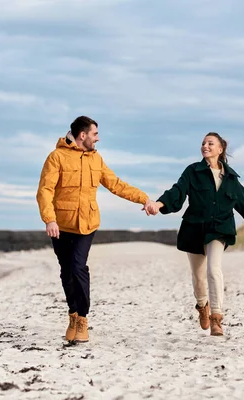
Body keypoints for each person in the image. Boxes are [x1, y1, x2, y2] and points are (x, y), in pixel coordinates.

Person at [37, 116, 155, 343]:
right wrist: (49, 219)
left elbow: (116, 184)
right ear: (83, 135)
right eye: (95, 134)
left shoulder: (96, 159)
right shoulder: (56, 157)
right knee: (66, 271)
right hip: (61, 225)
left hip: (87, 224)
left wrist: (144, 199)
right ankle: (72, 314)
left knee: (78, 267)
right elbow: (45, 191)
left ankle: (82, 319)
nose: (97, 139)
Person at [144, 132, 244, 336]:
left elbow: (243, 202)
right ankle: (202, 306)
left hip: (219, 229)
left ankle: (216, 318)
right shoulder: (193, 171)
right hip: (194, 228)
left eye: (210, 143)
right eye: (203, 143)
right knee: (198, 276)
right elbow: (177, 192)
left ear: (220, 149)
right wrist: (158, 203)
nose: (205, 146)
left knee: (213, 270)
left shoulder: (232, 179)